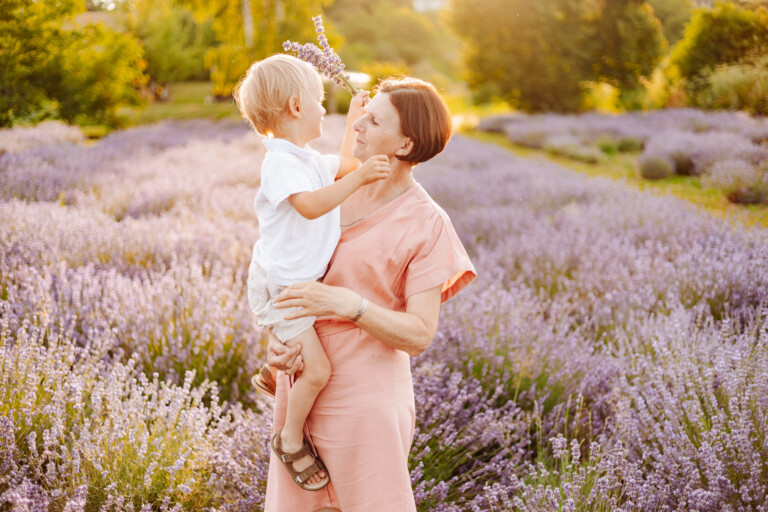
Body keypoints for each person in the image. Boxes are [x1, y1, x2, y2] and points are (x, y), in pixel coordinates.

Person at [262, 77, 477, 512]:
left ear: (403, 145)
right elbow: (280, 277)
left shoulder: (427, 223)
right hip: (300, 396)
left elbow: (419, 333)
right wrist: (275, 342)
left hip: (365, 406)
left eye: (374, 119)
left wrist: (347, 304)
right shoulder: (327, 192)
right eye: (364, 112)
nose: (357, 123)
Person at [232, 54, 390, 491]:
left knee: (300, 356)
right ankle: (288, 438)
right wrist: (359, 182)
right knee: (318, 371)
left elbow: (342, 167)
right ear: (296, 107)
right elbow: (312, 204)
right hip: (283, 288)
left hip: (295, 282)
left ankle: (272, 373)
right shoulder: (281, 165)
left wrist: (353, 125)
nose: (326, 108)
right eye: (321, 101)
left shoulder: (301, 157)